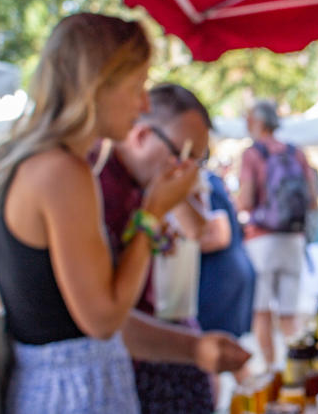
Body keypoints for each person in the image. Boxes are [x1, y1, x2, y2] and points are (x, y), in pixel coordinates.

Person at [0, 13, 199, 413]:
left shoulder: (21, 164)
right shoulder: (62, 172)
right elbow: (102, 318)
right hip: (77, 393)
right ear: (96, 86)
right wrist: (154, 211)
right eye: (137, 87)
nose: (144, 104)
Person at [96, 83, 250, 413]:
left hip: (162, 330)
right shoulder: (97, 183)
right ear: (139, 136)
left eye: (199, 160)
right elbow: (107, 317)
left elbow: (199, 229)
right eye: (183, 155)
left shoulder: (147, 182)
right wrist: (153, 214)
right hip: (120, 360)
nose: (190, 170)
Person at [237, 100, 318, 369]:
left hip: (262, 241)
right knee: (288, 315)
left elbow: (246, 201)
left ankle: (271, 371)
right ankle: (295, 372)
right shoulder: (297, 153)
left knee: (261, 313)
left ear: (257, 123)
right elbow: (314, 199)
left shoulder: (253, 154)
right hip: (294, 241)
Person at [197, 168, 255, 338]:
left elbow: (221, 236)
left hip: (220, 275)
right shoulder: (212, 180)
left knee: (218, 346)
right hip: (233, 268)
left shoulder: (205, 182)